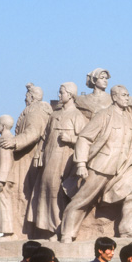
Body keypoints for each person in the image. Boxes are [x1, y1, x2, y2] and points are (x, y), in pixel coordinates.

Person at [60, 85, 132, 241]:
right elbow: (84, 138)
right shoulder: (104, 115)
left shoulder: (130, 117)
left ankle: (127, 228)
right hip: (102, 165)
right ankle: (67, 232)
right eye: (124, 95)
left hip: (123, 166)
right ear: (114, 97)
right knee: (82, 199)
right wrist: (81, 164)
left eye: (128, 95)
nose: (127, 98)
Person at [29, 82, 87, 239]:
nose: (59, 95)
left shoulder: (77, 116)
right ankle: (50, 228)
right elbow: (45, 137)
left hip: (65, 160)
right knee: (46, 191)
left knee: (58, 192)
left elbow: (86, 140)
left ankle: (60, 229)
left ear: (70, 95)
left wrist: (71, 138)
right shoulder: (54, 115)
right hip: (49, 158)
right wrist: (39, 153)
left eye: (62, 92)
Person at [0, 83, 52, 238]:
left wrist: (15, 142)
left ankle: (22, 233)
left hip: (29, 158)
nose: (25, 98)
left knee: (22, 194)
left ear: (31, 96)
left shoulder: (35, 111)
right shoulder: (32, 110)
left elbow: (33, 132)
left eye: (27, 95)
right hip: (26, 156)